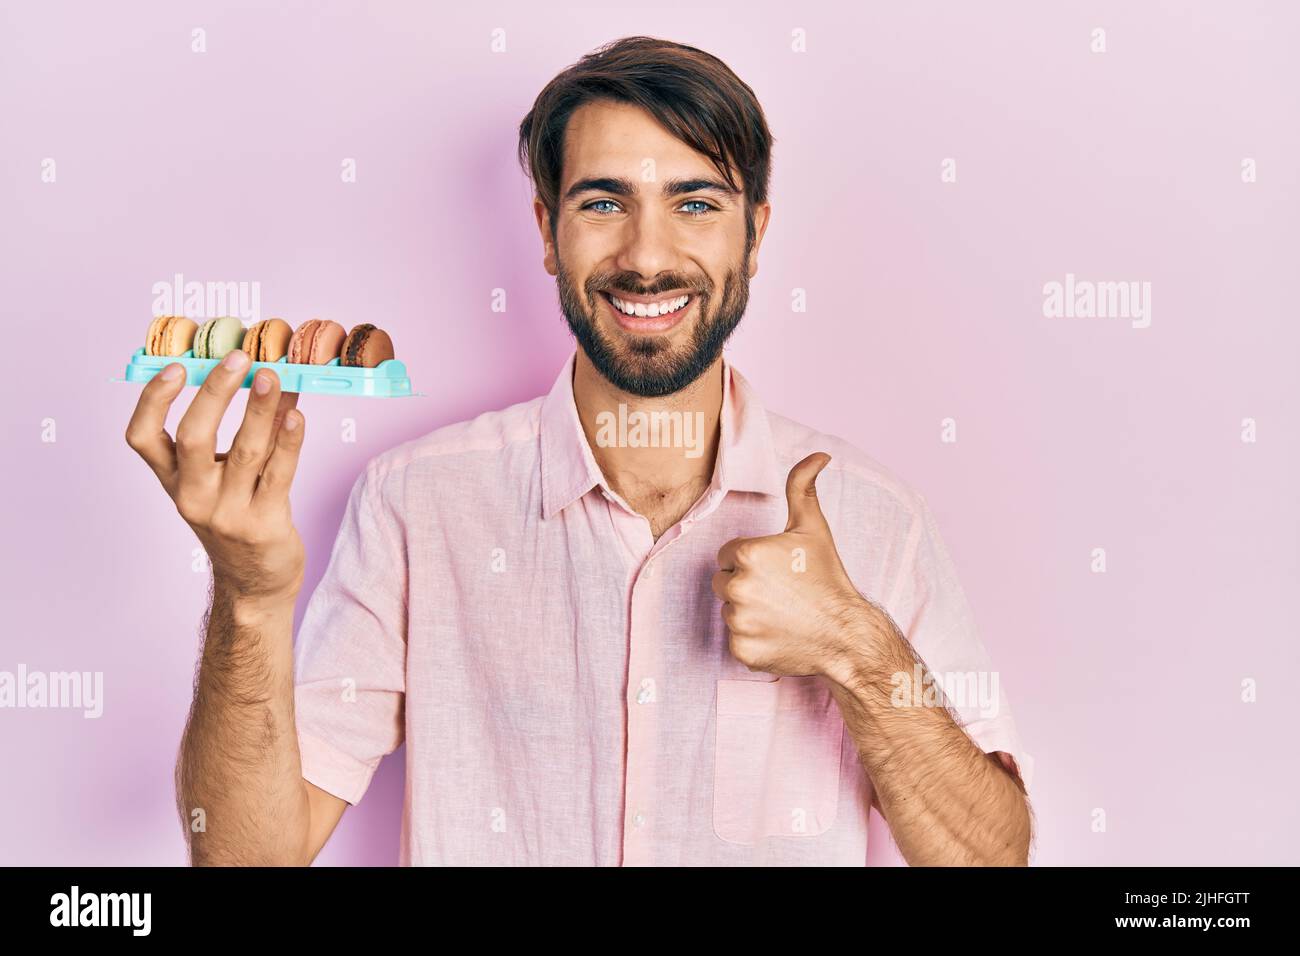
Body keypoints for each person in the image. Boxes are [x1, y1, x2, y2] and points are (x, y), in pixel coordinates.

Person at [125, 36, 1033, 866]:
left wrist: (853, 645)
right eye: (604, 202)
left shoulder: (876, 518)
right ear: (546, 232)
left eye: (695, 204)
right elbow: (243, 858)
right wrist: (247, 597)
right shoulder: (415, 504)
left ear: (755, 234)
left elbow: (994, 860)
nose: (647, 256)